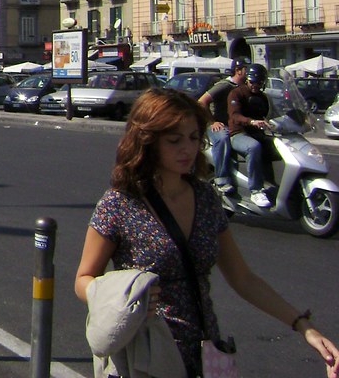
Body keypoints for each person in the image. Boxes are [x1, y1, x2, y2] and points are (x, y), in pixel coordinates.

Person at [75, 88, 339, 378]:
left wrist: (304, 326)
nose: (188, 149)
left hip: (205, 353)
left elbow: (243, 278)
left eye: (193, 137)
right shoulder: (120, 203)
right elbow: (84, 279)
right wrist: (123, 297)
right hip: (147, 355)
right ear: (147, 141)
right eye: (174, 141)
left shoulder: (205, 197)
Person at [198, 58, 248, 194]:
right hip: (217, 125)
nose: (248, 72)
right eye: (246, 69)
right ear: (238, 71)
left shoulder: (244, 88)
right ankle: (221, 179)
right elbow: (202, 101)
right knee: (222, 138)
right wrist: (212, 121)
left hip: (234, 125)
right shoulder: (225, 85)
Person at [227, 63, 273, 208]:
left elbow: (268, 115)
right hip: (238, 134)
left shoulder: (263, 97)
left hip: (256, 133)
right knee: (253, 148)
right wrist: (251, 121)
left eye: (258, 83)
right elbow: (234, 115)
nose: (255, 85)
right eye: (252, 81)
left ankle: (270, 184)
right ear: (247, 79)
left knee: (276, 148)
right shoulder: (236, 93)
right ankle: (256, 190)